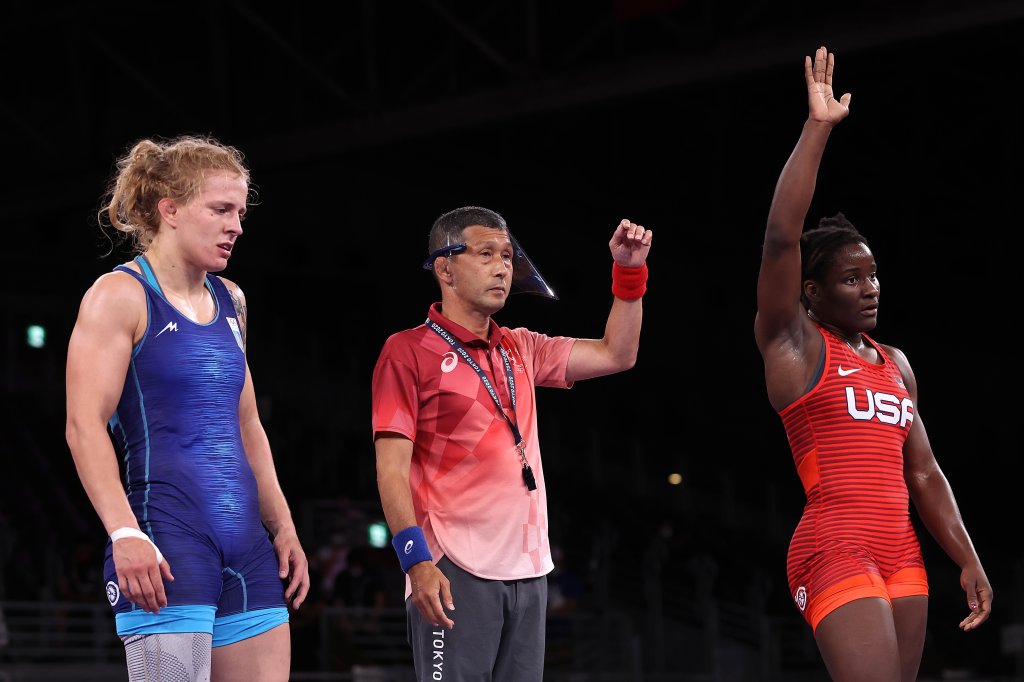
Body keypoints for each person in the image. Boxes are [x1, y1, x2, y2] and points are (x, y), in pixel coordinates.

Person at [753, 46, 992, 681]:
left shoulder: (896, 363)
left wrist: (966, 555)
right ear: (812, 293)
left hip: (900, 547)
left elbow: (925, 471)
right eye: (852, 278)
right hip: (834, 542)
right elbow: (781, 237)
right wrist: (818, 128)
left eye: (875, 274)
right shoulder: (794, 344)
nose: (871, 287)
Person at [65, 134, 310, 682]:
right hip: (166, 541)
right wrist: (124, 533)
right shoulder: (119, 296)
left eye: (241, 213)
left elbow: (247, 423)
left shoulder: (232, 300)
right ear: (169, 210)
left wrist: (283, 524)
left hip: (247, 548)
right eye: (221, 209)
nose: (237, 226)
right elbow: (83, 427)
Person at [371, 205, 652, 681]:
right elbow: (391, 470)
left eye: (507, 255)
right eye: (486, 254)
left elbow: (616, 354)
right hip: (452, 567)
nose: (503, 266)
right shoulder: (407, 351)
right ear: (444, 267)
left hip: (530, 569)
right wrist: (415, 562)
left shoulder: (521, 348)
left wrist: (629, 272)